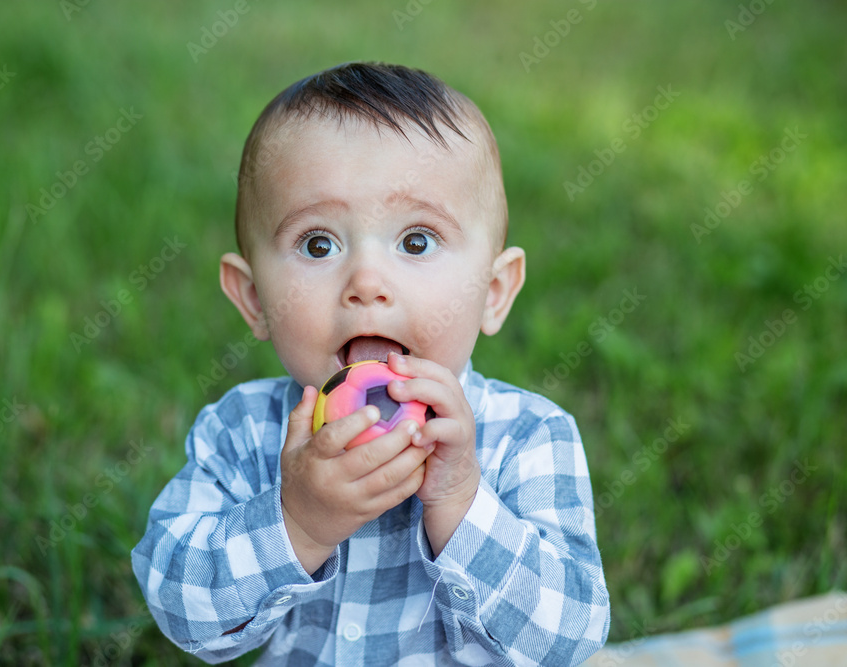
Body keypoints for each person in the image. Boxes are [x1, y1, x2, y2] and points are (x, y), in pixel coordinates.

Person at [132, 61, 610, 666]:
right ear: (254, 299)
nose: (366, 281)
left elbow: (572, 636)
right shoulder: (243, 432)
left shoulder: (530, 437)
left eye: (416, 241)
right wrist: (297, 524)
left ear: (493, 291)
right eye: (318, 244)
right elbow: (178, 607)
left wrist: (462, 503)